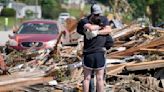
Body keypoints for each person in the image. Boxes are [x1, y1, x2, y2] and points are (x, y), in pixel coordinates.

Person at [77, 4, 113, 92]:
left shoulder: (102, 19)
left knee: (88, 78)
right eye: (96, 14)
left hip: (93, 53)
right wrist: (101, 27)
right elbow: (90, 27)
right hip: (93, 53)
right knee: (96, 78)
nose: (97, 15)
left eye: (98, 14)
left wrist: (97, 32)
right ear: (92, 13)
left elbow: (109, 30)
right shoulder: (85, 20)